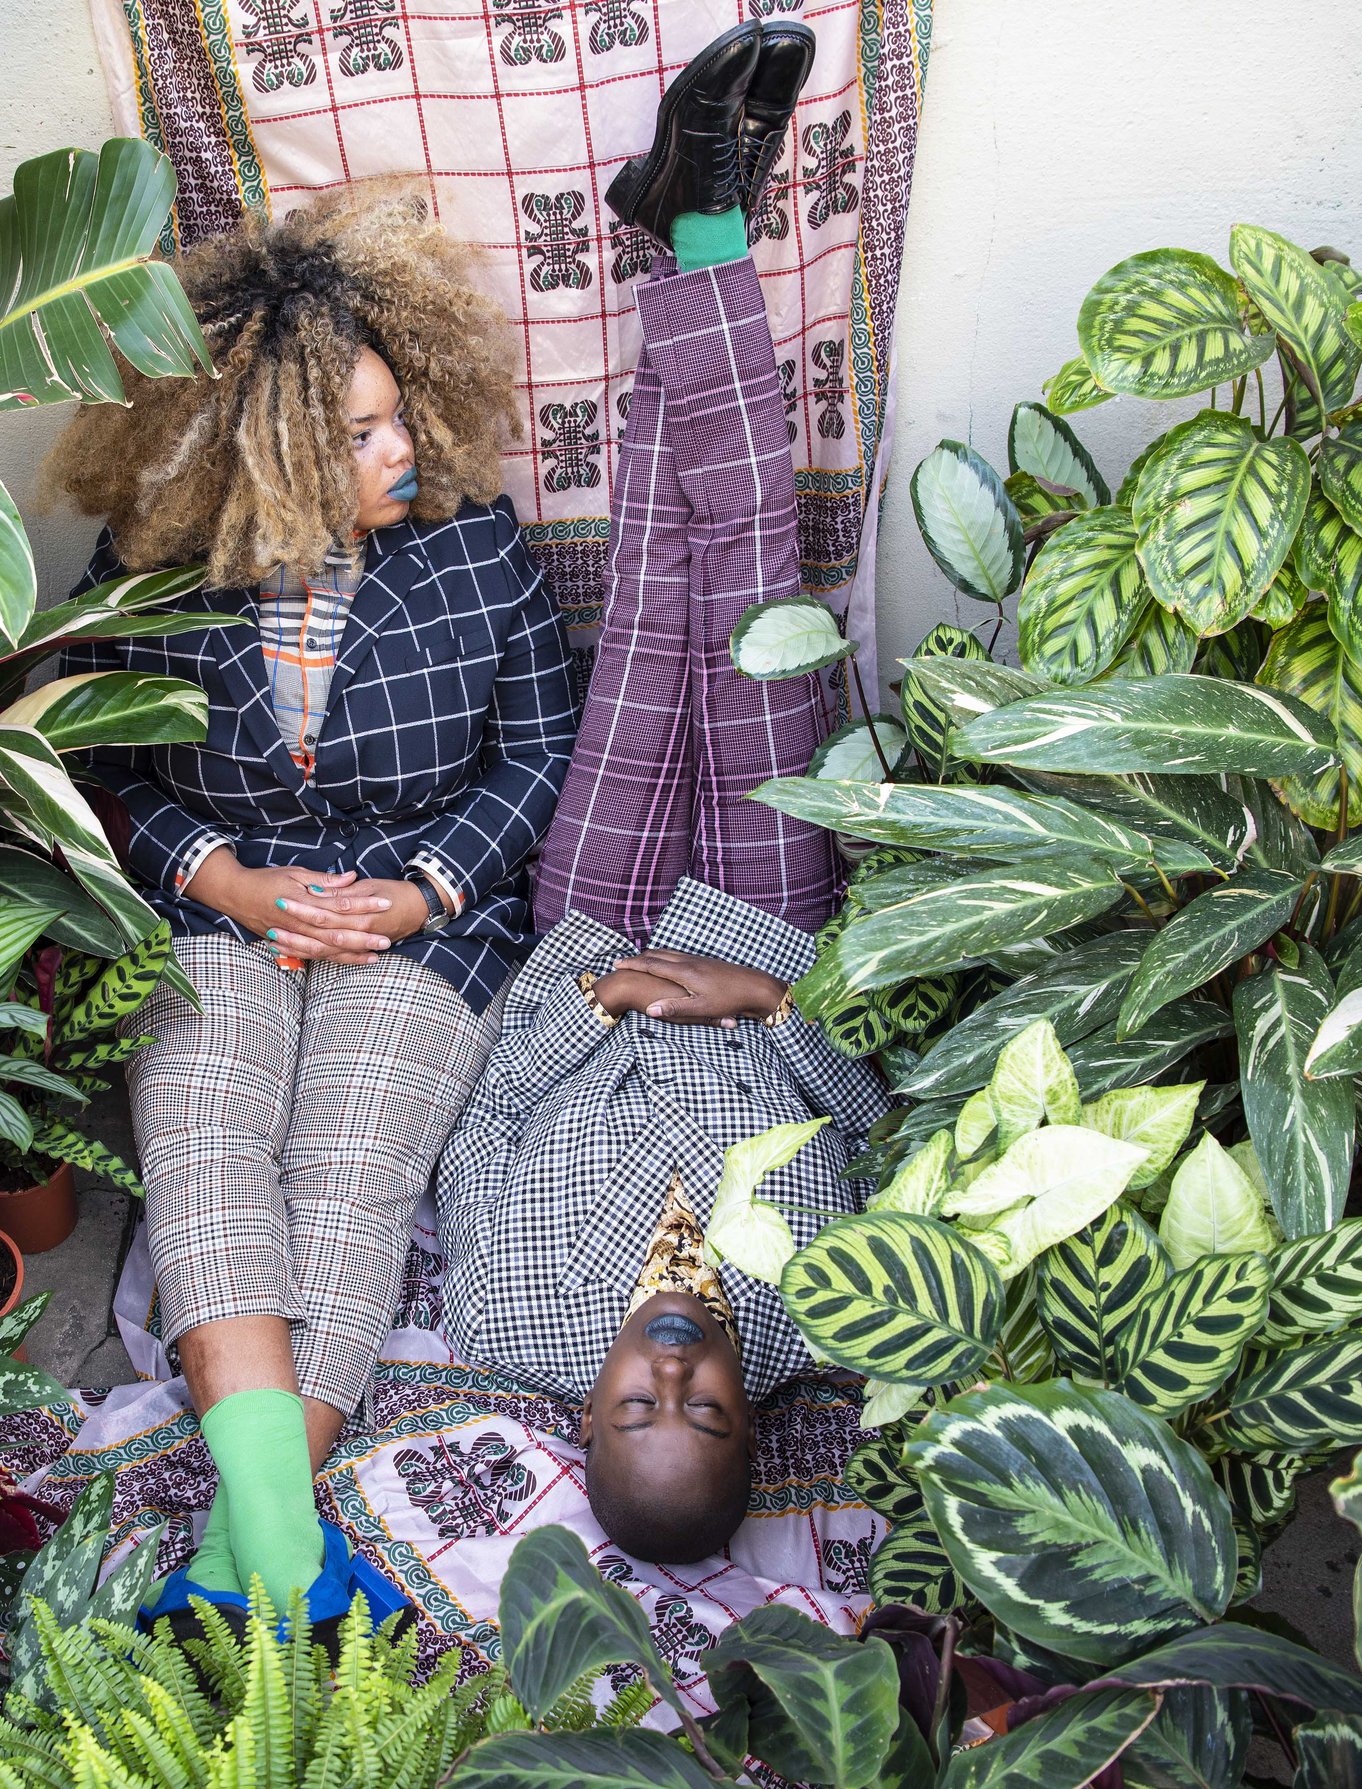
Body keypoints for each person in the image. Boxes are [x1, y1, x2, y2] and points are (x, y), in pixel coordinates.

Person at [45, 184, 579, 1608]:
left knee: (352, 1168)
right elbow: (92, 759)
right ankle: (286, 1550)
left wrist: (420, 892)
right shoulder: (154, 568)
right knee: (202, 1138)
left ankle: (254, 1536)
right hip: (219, 905)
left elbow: (539, 750)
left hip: (424, 922)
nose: (402, 449)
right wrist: (224, 878)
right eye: (357, 433)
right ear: (262, 444)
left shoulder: (474, 544)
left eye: (398, 416)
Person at [437, 21, 885, 1568]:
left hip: (602, 931)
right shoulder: (819, 1307)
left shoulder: (513, 1314)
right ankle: (702, 222)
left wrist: (605, 992)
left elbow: (486, 1121)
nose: (678, 1376)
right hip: (768, 930)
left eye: (643, 1410)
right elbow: (872, 1115)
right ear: (757, 1420)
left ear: (587, 1418)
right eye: (708, 1410)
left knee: (653, 582)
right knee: (754, 579)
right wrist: (763, 1000)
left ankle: (688, 226)